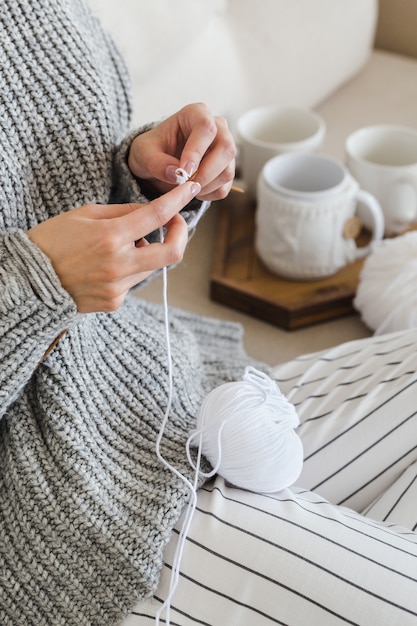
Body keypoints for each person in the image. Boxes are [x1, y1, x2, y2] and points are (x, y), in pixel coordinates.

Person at [1, 2, 417, 626]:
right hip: (57, 504)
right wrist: (36, 278)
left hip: (156, 383)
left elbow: (57, 199)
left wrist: (142, 170)